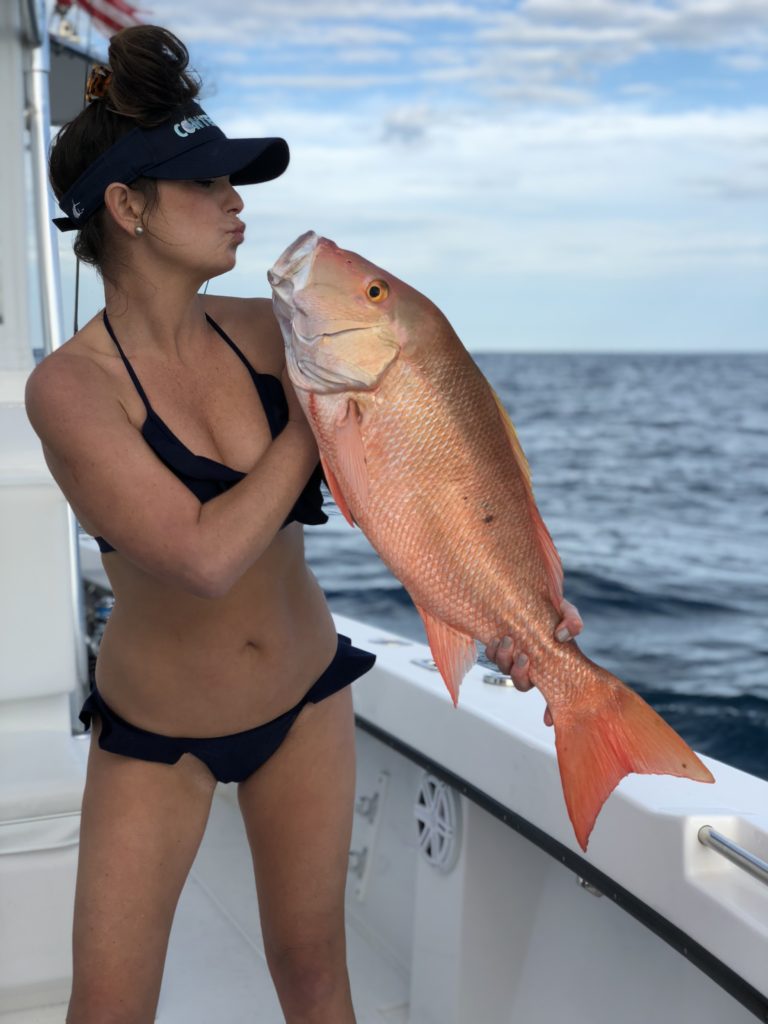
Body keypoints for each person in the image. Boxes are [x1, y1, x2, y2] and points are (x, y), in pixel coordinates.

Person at [25, 25, 582, 1024]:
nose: (236, 201)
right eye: (204, 181)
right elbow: (202, 556)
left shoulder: (268, 329)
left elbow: (419, 470)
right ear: (128, 206)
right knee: (107, 1007)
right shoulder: (69, 390)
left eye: (234, 178)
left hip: (304, 698)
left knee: (316, 976)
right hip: (155, 732)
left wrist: (511, 597)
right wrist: (315, 416)